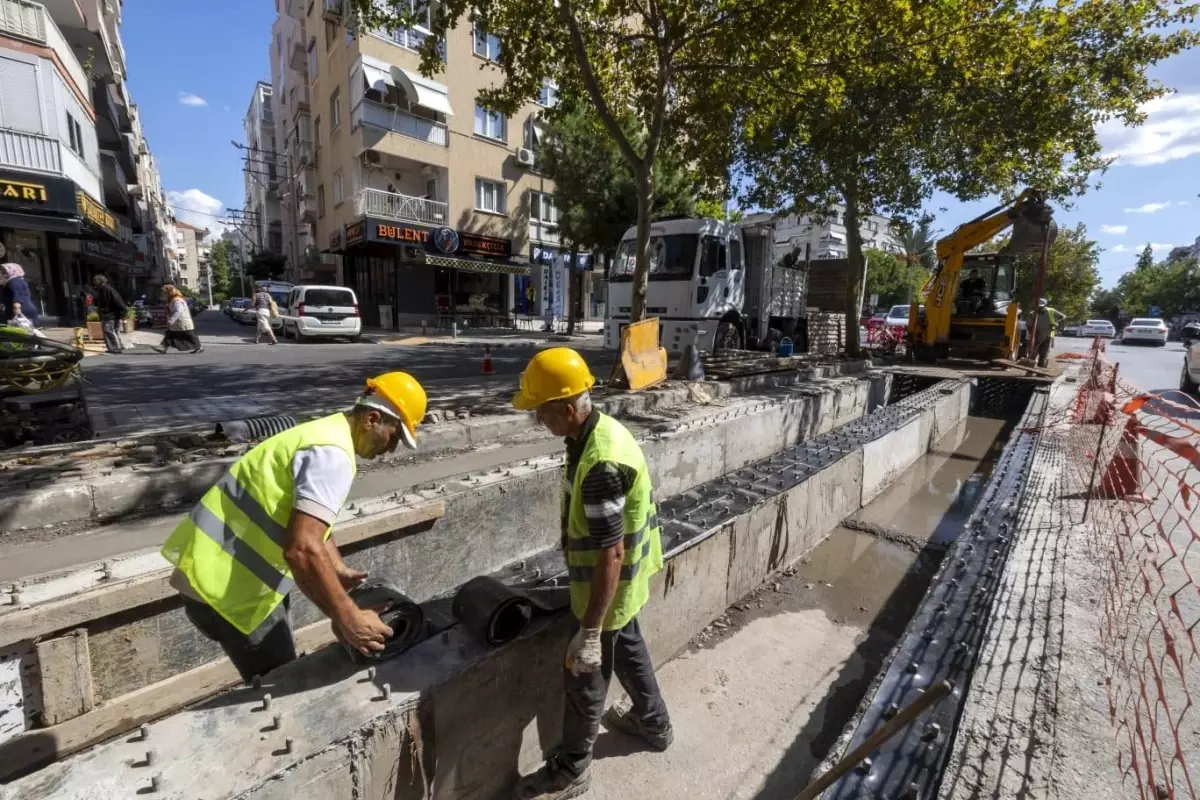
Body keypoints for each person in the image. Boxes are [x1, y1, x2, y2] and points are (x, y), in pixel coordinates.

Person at [160, 372, 428, 681]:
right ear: (372, 420)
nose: (391, 449)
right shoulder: (334, 457)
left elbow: (303, 518)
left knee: (280, 663)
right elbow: (301, 550)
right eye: (394, 437)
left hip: (212, 571)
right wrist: (347, 616)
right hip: (228, 589)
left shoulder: (324, 432)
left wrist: (337, 568)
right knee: (282, 683)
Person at [511, 348, 672, 800]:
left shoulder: (600, 462)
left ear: (566, 409)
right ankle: (654, 722)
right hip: (627, 582)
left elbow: (611, 554)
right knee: (630, 644)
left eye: (542, 413)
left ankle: (573, 768)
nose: (539, 422)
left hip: (609, 586)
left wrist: (590, 630)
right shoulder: (595, 433)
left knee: (584, 675)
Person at [154, 284, 203, 353]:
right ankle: (163, 347)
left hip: (182, 321)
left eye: (164, 292)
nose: (163, 294)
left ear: (169, 292)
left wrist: (171, 320)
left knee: (189, 334)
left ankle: (199, 347)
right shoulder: (172, 299)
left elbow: (178, 311)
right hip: (177, 322)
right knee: (170, 334)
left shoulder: (177, 300)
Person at [91, 274, 127, 354]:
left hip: (111, 314)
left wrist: (124, 310)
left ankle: (116, 347)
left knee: (108, 330)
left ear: (99, 281)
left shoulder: (108, 290)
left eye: (95, 282)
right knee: (111, 330)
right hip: (109, 314)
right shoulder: (101, 290)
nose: (94, 284)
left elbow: (117, 301)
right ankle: (115, 347)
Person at [1, 263, 38, 327]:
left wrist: (17, 308)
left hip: (21, 310)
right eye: (2, 271)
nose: (3, 273)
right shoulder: (18, 280)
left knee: (23, 333)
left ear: (13, 271)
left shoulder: (13, 281)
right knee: (28, 332)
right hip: (25, 309)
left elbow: (17, 295)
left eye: (5, 271)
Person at [1033, 298, 1066, 367]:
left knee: (1044, 353)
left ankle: (1041, 367)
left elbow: (1063, 316)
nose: (1040, 308)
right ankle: (1031, 366)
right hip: (1037, 335)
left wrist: (1055, 322)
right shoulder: (1033, 312)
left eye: (1041, 306)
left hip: (1048, 335)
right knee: (1034, 352)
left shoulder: (1051, 310)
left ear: (1045, 305)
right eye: (1039, 306)